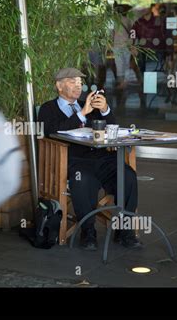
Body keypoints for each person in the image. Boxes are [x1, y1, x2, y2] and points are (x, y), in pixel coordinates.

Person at [37, 68, 142, 250]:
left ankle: (125, 231)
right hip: (73, 161)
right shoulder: (48, 109)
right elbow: (52, 133)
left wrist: (104, 110)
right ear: (59, 86)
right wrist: (81, 113)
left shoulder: (89, 105)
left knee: (128, 175)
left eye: (80, 82)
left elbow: (112, 129)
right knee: (83, 179)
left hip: (101, 158)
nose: (78, 86)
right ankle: (88, 232)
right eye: (72, 82)